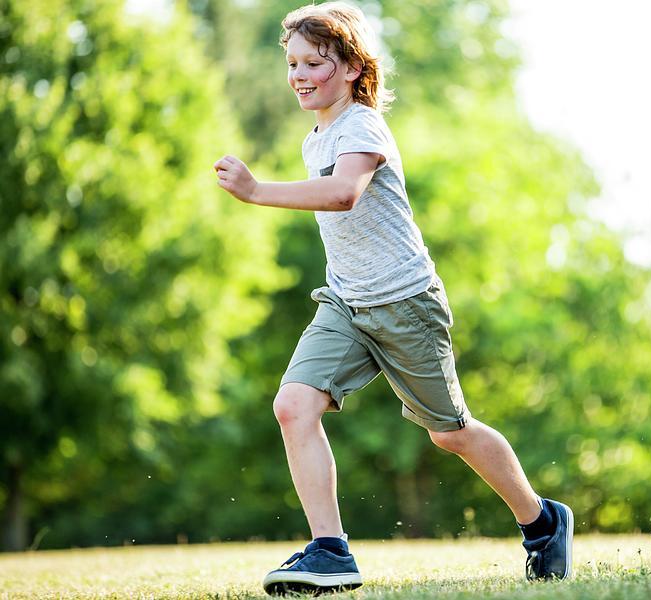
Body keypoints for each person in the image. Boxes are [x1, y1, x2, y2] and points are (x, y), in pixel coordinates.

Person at [213, 2, 573, 595]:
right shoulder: (316, 135)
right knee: (292, 406)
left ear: (352, 68)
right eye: (293, 64)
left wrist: (256, 191)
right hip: (347, 305)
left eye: (314, 63)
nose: (300, 75)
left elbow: (343, 194)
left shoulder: (362, 126)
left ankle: (541, 521)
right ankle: (330, 551)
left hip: (406, 304)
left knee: (450, 433)